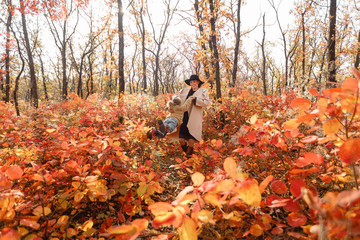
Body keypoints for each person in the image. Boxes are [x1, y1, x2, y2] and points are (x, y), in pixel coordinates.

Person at [171, 74, 210, 158]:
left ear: (198, 82)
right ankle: (187, 152)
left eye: (195, 82)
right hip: (183, 116)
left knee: (191, 137)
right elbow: (175, 96)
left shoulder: (203, 91)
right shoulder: (184, 91)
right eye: (191, 82)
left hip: (194, 117)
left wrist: (195, 99)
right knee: (181, 139)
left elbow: (206, 102)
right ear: (190, 83)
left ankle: (188, 155)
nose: (193, 83)